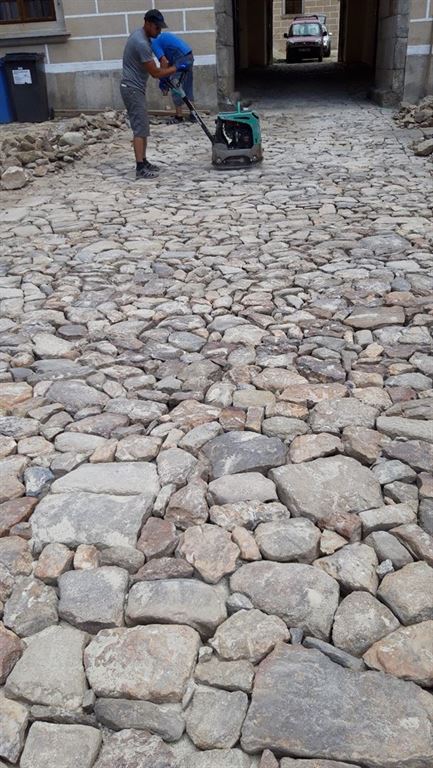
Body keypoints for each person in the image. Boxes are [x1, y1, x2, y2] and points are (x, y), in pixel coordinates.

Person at [120, 9, 177, 180]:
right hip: (132, 88)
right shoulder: (141, 42)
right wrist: (176, 68)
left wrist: (164, 61)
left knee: (143, 126)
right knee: (139, 128)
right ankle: (140, 167)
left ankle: (144, 161)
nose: (159, 32)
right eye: (157, 28)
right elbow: (155, 73)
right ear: (147, 23)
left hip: (135, 87)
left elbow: (158, 62)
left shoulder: (143, 37)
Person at [151, 31, 194, 124]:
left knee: (175, 85)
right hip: (189, 57)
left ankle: (179, 116)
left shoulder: (154, 42)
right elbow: (169, 60)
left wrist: (163, 81)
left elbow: (164, 62)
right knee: (187, 86)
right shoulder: (163, 37)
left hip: (181, 60)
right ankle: (193, 115)